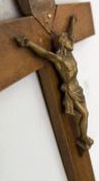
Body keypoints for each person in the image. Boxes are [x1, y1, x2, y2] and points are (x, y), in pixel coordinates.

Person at [15, 16, 94, 151]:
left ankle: (83, 136)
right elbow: (45, 53)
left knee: (85, 114)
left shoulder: (69, 52)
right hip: (70, 90)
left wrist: (72, 22)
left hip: (78, 88)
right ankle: (83, 137)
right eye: (65, 38)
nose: (69, 40)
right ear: (62, 43)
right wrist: (28, 43)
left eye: (68, 38)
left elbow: (72, 35)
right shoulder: (59, 59)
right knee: (85, 114)